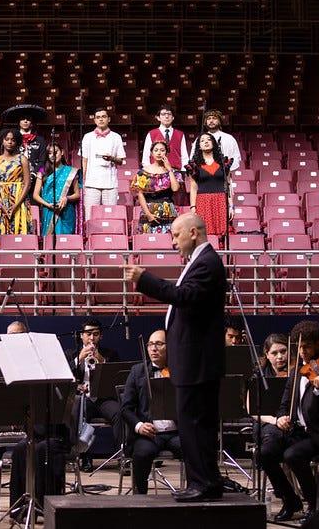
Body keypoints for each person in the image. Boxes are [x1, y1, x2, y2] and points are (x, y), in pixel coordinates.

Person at [124, 213, 227, 502]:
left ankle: (203, 483)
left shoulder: (206, 262)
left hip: (198, 362)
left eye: (176, 235)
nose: (173, 242)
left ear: (193, 232)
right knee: (195, 425)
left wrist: (144, 279)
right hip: (194, 361)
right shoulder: (202, 261)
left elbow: (184, 296)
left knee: (194, 425)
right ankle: (205, 480)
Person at [260, 320, 319, 522]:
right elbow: (285, 404)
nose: (302, 351)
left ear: (318, 346)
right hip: (298, 432)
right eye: (300, 347)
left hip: (318, 434)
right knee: (265, 453)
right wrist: (282, 418)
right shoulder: (296, 372)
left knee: (292, 455)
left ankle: (314, 504)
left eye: (307, 346)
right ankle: (290, 499)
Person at [121, 329, 182, 494]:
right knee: (141, 453)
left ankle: (194, 493)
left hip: (176, 432)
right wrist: (139, 426)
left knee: (194, 450)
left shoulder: (180, 371)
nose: (154, 348)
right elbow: (125, 408)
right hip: (150, 433)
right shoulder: (137, 372)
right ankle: (140, 497)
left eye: (159, 344)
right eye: (151, 344)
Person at [68, 319, 123, 473]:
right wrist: (79, 358)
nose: (92, 338)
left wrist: (101, 360)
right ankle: (84, 457)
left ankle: (123, 457)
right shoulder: (71, 354)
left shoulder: (111, 354)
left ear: (101, 336)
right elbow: (64, 376)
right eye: (88, 334)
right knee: (78, 412)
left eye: (96, 334)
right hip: (83, 398)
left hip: (103, 398)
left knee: (120, 412)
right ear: (81, 336)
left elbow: (116, 379)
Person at [0, 128, 34, 248]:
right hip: (0, 202)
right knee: (0, 232)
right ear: (2, 141)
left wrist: (16, 205)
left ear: (17, 142)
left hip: (19, 200)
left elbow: (27, 183)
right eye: (7, 139)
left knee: (19, 230)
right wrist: (2, 205)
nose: (9, 142)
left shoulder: (22, 159)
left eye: (13, 140)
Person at [79, 107, 126, 220]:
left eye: (103, 117)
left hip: (110, 184)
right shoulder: (87, 137)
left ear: (108, 119)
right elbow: (84, 160)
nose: (101, 119)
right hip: (91, 183)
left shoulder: (116, 137)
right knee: (90, 217)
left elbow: (121, 161)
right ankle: (90, 237)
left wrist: (112, 158)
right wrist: (84, 181)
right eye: (98, 117)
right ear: (94, 120)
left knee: (110, 217)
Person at [131, 140, 182, 234]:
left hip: (168, 209)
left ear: (166, 153)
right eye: (156, 150)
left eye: (162, 150)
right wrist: (148, 214)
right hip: (149, 209)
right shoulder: (143, 172)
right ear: (151, 153)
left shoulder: (173, 171)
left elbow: (175, 188)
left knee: (169, 242)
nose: (159, 153)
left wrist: (169, 169)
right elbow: (140, 194)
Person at [189, 133, 232, 237]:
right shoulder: (194, 165)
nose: (206, 142)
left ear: (214, 143)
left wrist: (231, 206)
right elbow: (193, 187)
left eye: (209, 139)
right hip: (203, 201)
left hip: (221, 200)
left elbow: (228, 185)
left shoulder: (224, 163)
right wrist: (193, 207)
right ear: (199, 145)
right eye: (202, 140)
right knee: (205, 234)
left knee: (223, 233)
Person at [33, 143, 81, 235]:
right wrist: (48, 205)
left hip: (66, 211)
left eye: (55, 152)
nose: (53, 156)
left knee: (65, 242)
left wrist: (67, 198)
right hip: (48, 210)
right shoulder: (43, 171)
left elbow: (77, 194)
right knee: (49, 241)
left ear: (62, 152)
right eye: (50, 153)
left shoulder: (71, 171)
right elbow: (35, 195)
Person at [141, 104, 189, 170]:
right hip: (156, 172)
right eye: (163, 114)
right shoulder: (151, 134)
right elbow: (146, 156)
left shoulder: (180, 134)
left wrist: (183, 171)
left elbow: (184, 156)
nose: (166, 116)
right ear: (158, 118)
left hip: (176, 171)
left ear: (173, 117)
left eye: (169, 114)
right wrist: (150, 171)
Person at [18, 113, 48, 181]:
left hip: (36, 177)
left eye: (28, 119)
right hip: (17, 177)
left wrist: (35, 174)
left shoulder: (40, 140)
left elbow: (42, 161)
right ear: (19, 122)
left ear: (32, 122)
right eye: (23, 119)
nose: (25, 121)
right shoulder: (14, 139)